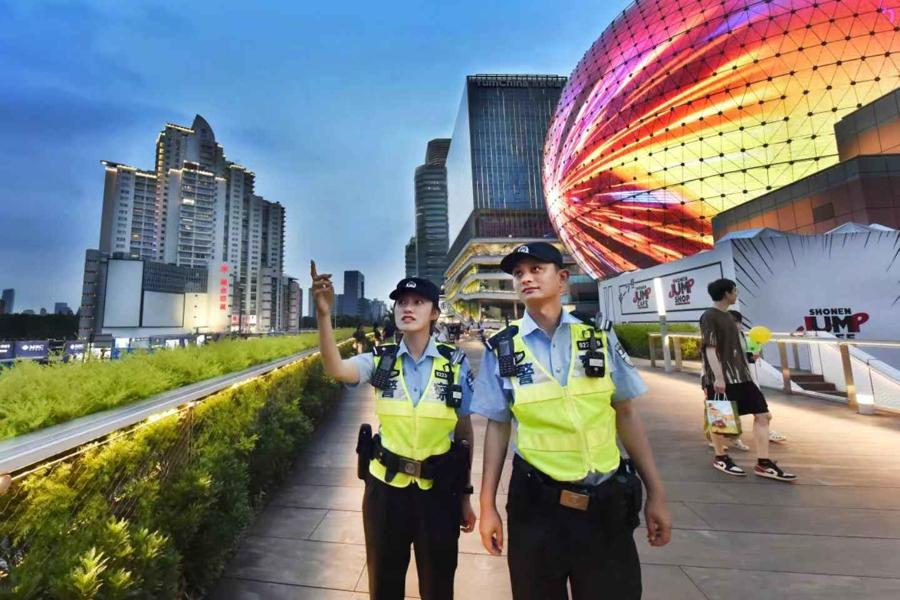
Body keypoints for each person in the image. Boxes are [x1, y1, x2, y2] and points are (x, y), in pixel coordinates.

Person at [473, 242, 672, 600]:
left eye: (536, 269)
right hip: (536, 506)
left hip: (606, 505)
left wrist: (656, 493)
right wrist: (487, 507)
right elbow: (498, 427)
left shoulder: (598, 335)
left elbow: (625, 412)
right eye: (518, 273)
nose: (526, 278)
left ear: (562, 279)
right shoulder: (502, 348)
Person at [311, 262, 477, 600]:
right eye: (402, 302)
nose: (408, 308)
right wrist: (324, 316)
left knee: (438, 586)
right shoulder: (381, 360)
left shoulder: (454, 364)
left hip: (439, 493)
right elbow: (336, 368)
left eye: (418, 302)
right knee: (384, 586)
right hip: (385, 493)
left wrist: (464, 497)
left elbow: (464, 434)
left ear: (434, 313)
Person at [701, 279, 796, 482]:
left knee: (763, 415)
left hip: (742, 376)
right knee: (721, 420)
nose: (736, 294)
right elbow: (710, 348)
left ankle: (763, 462)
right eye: (734, 291)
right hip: (722, 378)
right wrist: (718, 377)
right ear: (726, 293)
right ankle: (721, 457)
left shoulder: (729, 317)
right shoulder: (709, 316)